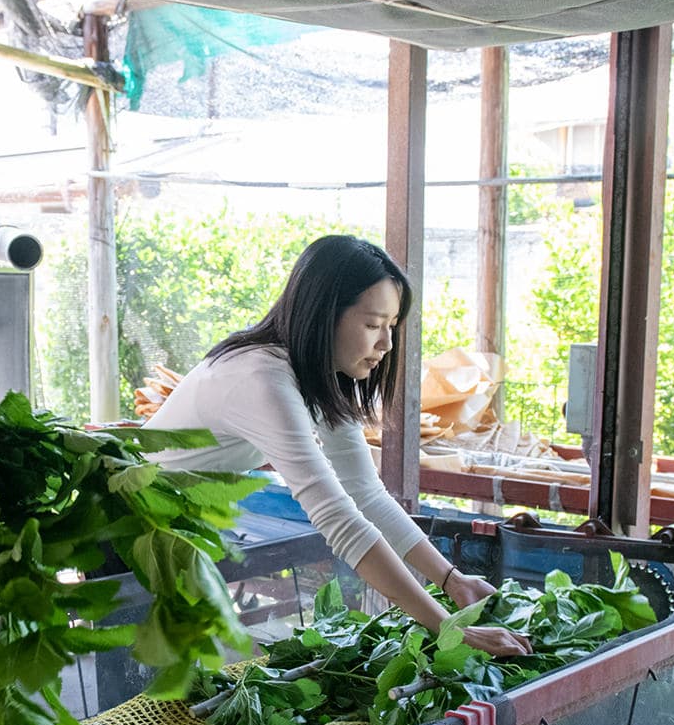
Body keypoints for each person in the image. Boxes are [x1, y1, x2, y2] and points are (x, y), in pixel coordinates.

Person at [148, 235, 531, 658]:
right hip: (132, 525)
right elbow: (339, 518)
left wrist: (452, 580)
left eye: (391, 327)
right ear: (323, 315)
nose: (386, 345)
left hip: (180, 524)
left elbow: (365, 494)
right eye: (372, 325)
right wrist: (448, 630)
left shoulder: (324, 378)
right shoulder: (261, 377)